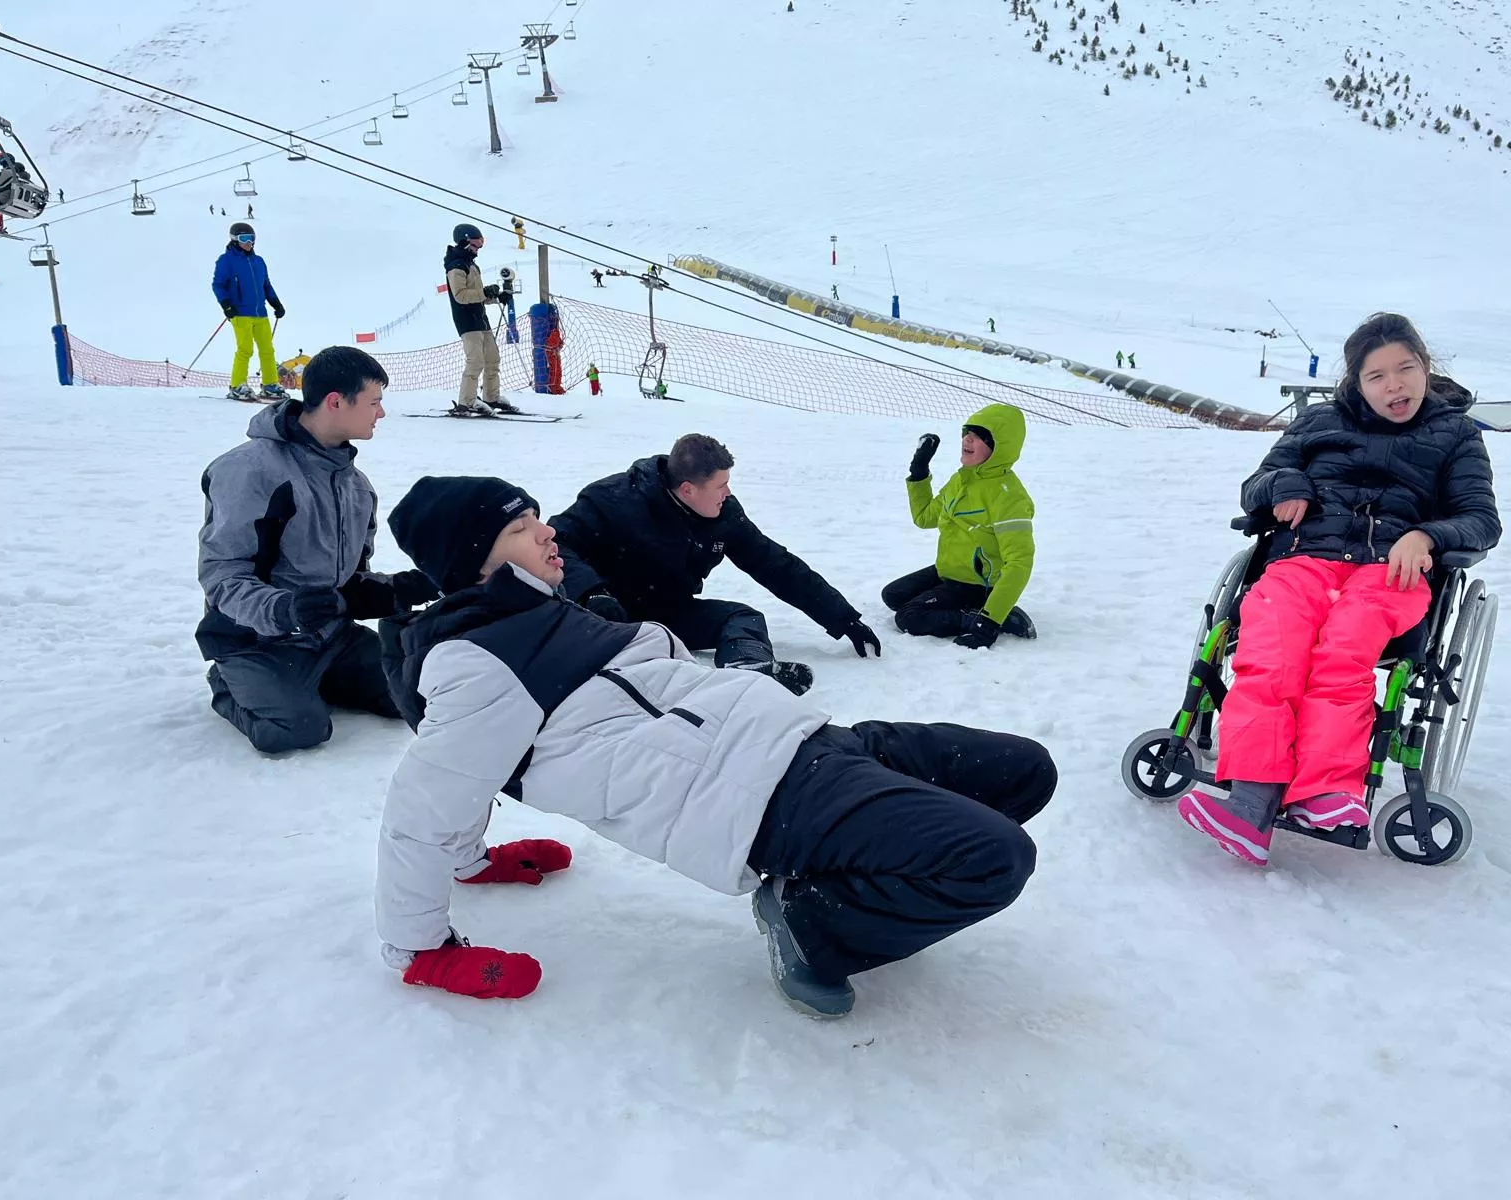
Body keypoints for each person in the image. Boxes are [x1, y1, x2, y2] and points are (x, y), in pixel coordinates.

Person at [374, 476, 1057, 1016]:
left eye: (537, 517)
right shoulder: (476, 663)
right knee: (995, 858)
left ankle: (867, 883)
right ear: (477, 562)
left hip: (810, 740)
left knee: (1025, 770)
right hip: (762, 800)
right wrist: (421, 949)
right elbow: (426, 802)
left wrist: (476, 862)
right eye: (522, 529)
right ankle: (813, 922)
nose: (549, 532)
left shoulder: (543, 609)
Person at [1179, 313, 1502, 866]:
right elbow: (1255, 485)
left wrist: (1428, 534)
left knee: (1343, 651)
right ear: (1356, 381)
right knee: (1272, 651)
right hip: (1307, 558)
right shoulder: (1317, 422)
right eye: (1377, 376)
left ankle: (1326, 794)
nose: (1394, 385)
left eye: (1406, 369)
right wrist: (1286, 485)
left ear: (1426, 368)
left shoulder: (1455, 433)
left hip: (1391, 570)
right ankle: (1251, 801)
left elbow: (1480, 519)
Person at [196, 346, 439, 754]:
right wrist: (284, 610)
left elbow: (350, 579)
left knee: (417, 695)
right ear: (335, 402)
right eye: (374, 402)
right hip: (256, 641)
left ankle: (319, 678)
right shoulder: (250, 471)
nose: (381, 414)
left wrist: (397, 589)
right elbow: (223, 575)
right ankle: (230, 684)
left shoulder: (355, 485)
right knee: (297, 730)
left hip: (331, 638)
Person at [549, 434, 881, 695]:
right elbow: (556, 540)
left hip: (666, 613)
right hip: (605, 617)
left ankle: (748, 669)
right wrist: (591, 593)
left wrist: (844, 618)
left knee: (742, 616)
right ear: (688, 489)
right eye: (721, 485)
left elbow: (775, 564)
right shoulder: (613, 499)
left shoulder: (725, 515)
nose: (728, 492)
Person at [882, 403, 1037, 647]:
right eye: (967, 432)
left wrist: (989, 621)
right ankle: (969, 608)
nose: (967, 439)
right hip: (949, 571)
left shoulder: (1009, 497)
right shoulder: (962, 479)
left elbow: (1020, 563)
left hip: (977, 583)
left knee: (909, 617)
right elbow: (924, 517)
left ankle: (980, 615)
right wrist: (919, 472)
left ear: (1000, 447)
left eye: (979, 436)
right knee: (893, 595)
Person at [444, 222, 522, 417]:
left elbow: (476, 294)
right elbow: (460, 295)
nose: (477, 249)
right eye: (475, 245)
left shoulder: (471, 264)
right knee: (476, 361)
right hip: (467, 321)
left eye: (480, 245)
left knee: (492, 358)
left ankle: (490, 397)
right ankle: (467, 402)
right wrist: (483, 292)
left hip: (480, 318)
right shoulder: (456, 266)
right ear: (463, 241)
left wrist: (494, 296)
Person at [212, 222, 287, 401]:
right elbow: (218, 285)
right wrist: (227, 305)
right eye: (244, 239)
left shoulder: (258, 261)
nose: (249, 243)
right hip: (240, 313)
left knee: (267, 350)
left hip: (260, 313)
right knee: (245, 349)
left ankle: (270, 385)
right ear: (234, 240)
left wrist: (276, 303)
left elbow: (266, 285)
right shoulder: (226, 260)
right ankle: (238, 385)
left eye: (252, 239)